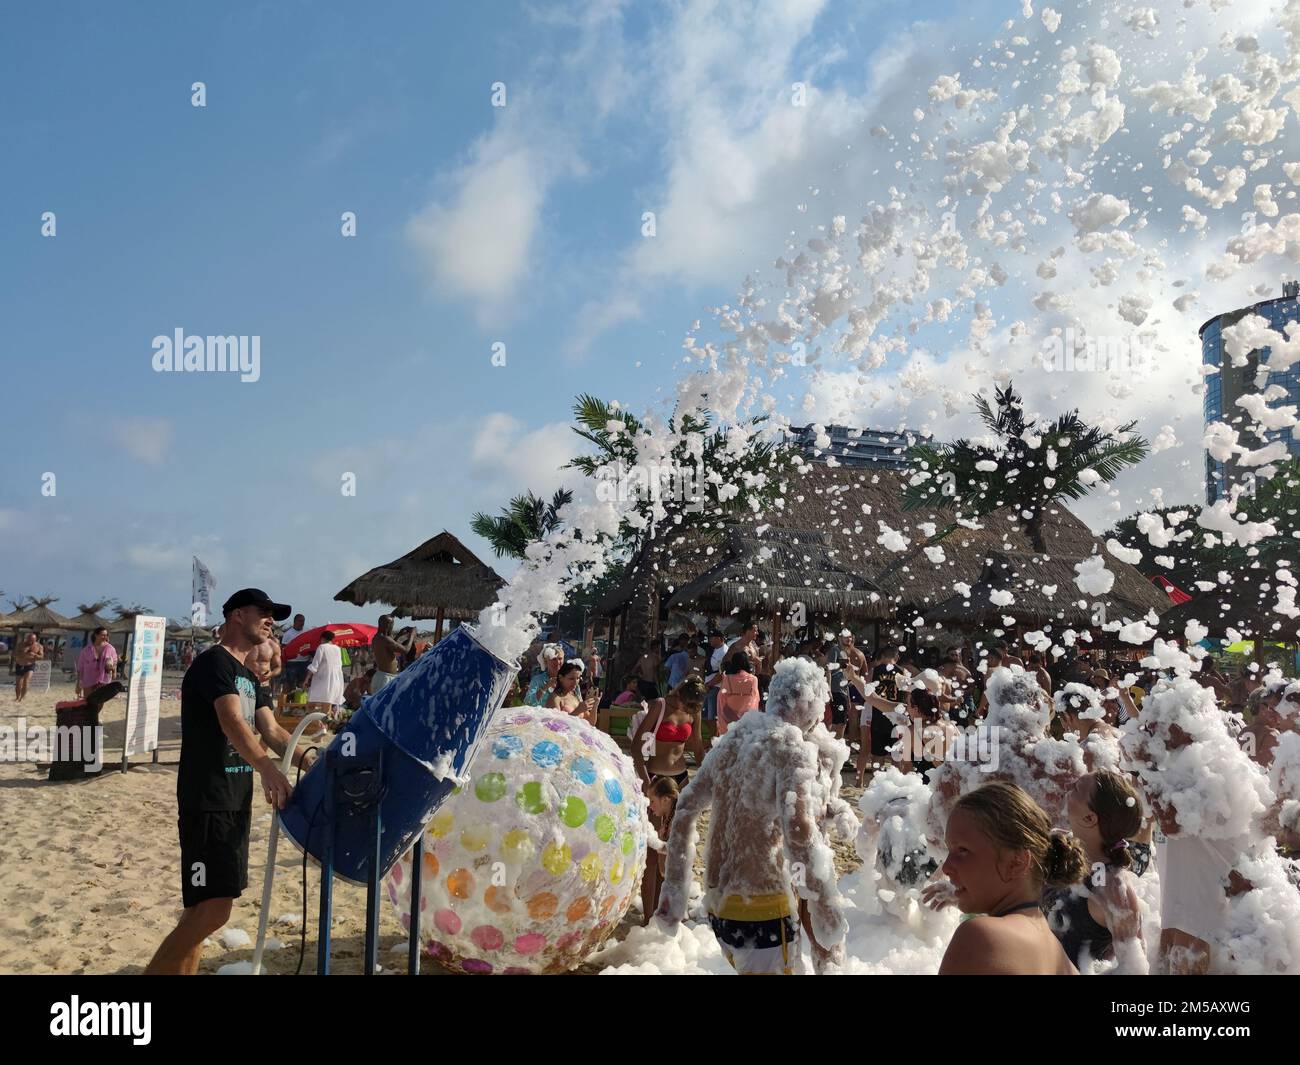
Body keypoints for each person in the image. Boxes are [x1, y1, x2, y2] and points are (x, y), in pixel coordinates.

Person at [145, 588, 317, 975]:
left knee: (201, 912)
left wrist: (319, 764)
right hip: (208, 799)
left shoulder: (248, 677)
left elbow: (273, 731)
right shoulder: (214, 664)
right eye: (265, 612)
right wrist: (268, 769)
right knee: (212, 911)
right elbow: (231, 721)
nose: (272, 619)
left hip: (234, 801)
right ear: (237, 615)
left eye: (275, 614)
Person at [656, 658, 852, 975]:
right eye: (820, 707)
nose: (820, 718)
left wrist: (674, 892)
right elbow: (799, 833)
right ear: (809, 702)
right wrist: (825, 908)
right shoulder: (791, 747)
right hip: (763, 908)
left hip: (720, 907)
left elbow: (687, 804)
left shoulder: (734, 740)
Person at [934, 781, 1085, 975]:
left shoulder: (980, 937)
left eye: (962, 850)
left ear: (1017, 862)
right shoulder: (1060, 957)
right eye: (949, 850)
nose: (946, 867)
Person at [1042, 770, 1149, 972]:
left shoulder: (1112, 886)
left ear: (1090, 818)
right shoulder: (1060, 847)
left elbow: (1136, 968)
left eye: (1077, 788)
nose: (1068, 787)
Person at [631, 676, 706, 791]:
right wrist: (645, 779)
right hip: (655, 777)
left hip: (682, 776)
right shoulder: (660, 706)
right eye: (686, 705)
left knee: (683, 809)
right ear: (679, 694)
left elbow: (699, 750)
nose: (688, 709)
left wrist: (705, 778)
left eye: (693, 707)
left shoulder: (694, 709)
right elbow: (636, 746)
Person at [640, 776, 679, 927]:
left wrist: (655, 843)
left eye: (652, 801)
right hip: (668, 877)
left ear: (665, 800)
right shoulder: (667, 816)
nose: (650, 806)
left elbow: (679, 849)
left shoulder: (679, 819)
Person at [716, 651, 760, 736]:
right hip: (747, 721)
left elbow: (721, 699)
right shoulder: (754, 679)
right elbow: (755, 700)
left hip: (729, 720)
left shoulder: (727, 679)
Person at [371, 615, 416, 694]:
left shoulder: (376, 638)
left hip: (381, 676)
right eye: (392, 624)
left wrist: (398, 635)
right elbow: (405, 650)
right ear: (388, 625)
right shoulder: (385, 639)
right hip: (386, 678)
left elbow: (390, 646)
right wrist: (412, 635)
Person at [306, 630, 345, 719]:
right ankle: (324, 727)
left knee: (310, 705)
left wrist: (307, 679)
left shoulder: (322, 647)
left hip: (323, 680)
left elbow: (314, 665)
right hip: (336, 680)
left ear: (322, 638)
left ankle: (320, 725)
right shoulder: (338, 649)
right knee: (327, 706)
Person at [74, 627, 118, 699]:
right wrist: (78, 682)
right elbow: (80, 667)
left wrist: (114, 671)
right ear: (96, 635)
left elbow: (115, 661)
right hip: (88, 680)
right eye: (102, 635)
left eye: (106, 635)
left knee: (99, 702)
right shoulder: (86, 650)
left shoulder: (110, 648)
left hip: (103, 679)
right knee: (88, 701)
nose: (105, 637)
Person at [279, 614, 308, 692]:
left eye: (303, 621)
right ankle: (285, 701)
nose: (302, 623)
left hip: (304, 662)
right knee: (289, 683)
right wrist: (282, 663)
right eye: (300, 621)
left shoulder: (306, 632)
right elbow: (283, 648)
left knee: (302, 683)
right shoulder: (288, 634)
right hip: (292, 662)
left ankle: (300, 702)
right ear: (295, 621)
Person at [12, 632, 43, 703]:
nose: (30, 642)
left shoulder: (39, 646)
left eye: (32, 640)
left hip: (30, 665)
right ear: (26, 639)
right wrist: (23, 653)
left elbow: (41, 657)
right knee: (18, 683)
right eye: (29, 640)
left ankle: (22, 698)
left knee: (26, 681)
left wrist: (35, 655)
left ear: (35, 640)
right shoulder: (20, 645)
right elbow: (13, 654)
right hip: (20, 664)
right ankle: (17, 697)